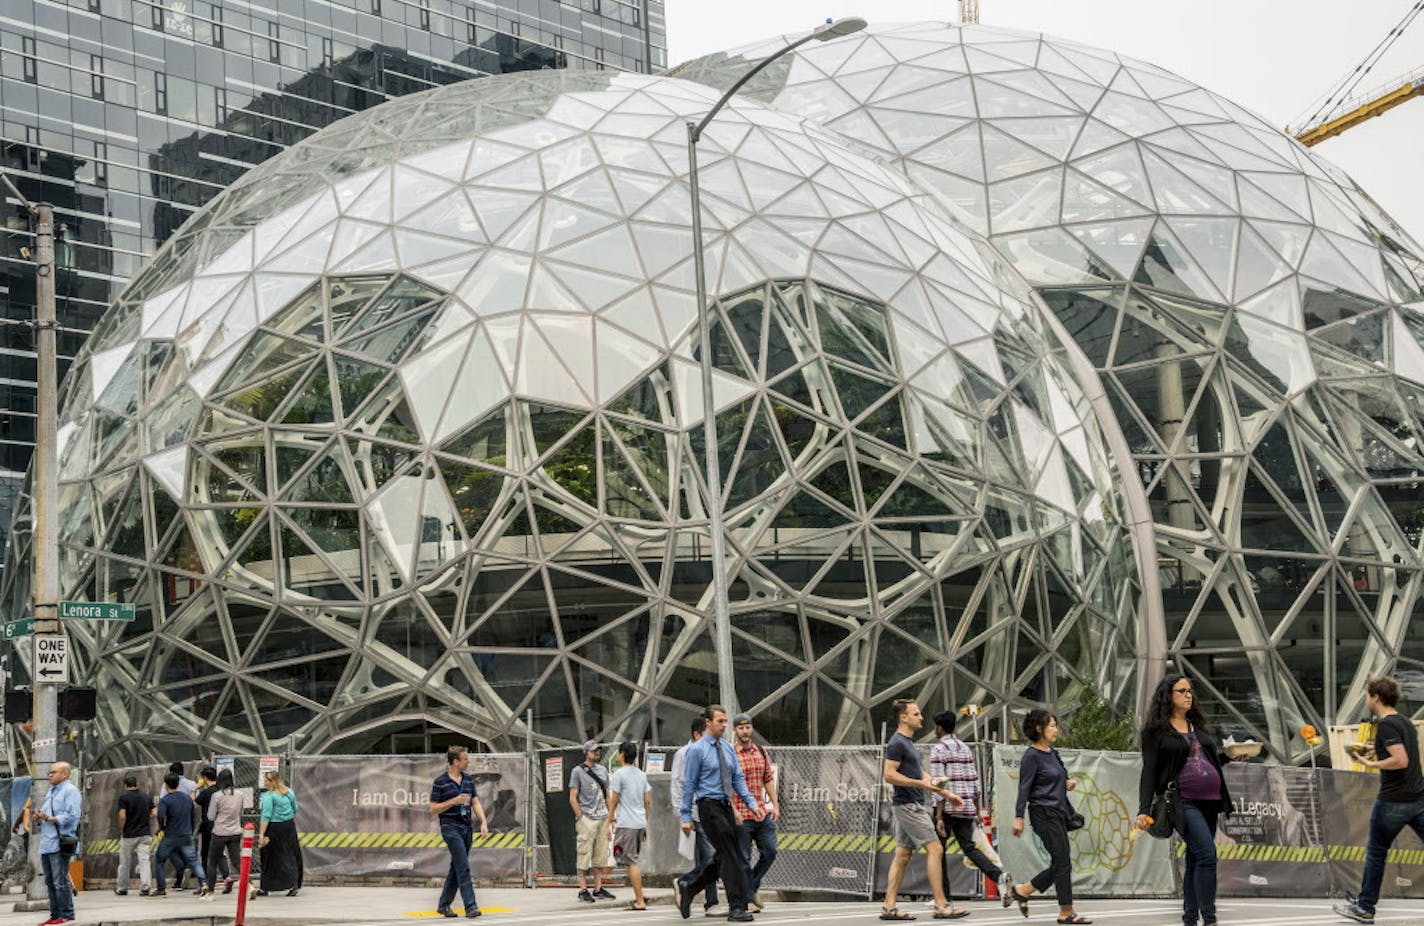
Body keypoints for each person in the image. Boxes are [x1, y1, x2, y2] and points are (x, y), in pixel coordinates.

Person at [1134, 675, 1231, 926]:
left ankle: (1190, 918)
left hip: (1210, 801)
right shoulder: (1155, 732)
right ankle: (1209, 919)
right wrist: (1143, 810)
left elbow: (1207, 761)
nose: (1189, 695)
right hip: (1182, 802)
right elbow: (1149, 771)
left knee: (1196, 859)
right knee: (1208, 856)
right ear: (1168, 696)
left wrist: (1231, 757)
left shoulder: (1196, 727)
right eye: (1182, 691)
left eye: (1190, 691)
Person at [1333, 676, 1424, 924]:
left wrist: (1370, 763)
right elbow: (1401, 751)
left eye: (1366, 695)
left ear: (1375, 697)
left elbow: (1401, 760)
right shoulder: (1405, 722)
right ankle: (1364, 905)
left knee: (1376, 853)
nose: (1366, 700)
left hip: (1394, 801)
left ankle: (1365, 908)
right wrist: (1376, 749)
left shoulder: (1386, 726)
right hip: (1418, 798)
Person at [881, 699, 967, 922]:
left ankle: (889, 906)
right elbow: (889, 775)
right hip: (909, 805)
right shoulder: (897, 743)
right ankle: (941, 904)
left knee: (903, 855)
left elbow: (922, 775)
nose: (921, 717)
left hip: (911, 804)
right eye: (916, 714)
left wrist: (948, 795)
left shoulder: (909, 743)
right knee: (936, 849)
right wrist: (920, 785)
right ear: (904, 717)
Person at [676, 704, 764, 924]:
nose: (725, 726)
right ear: (708, 723)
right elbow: (689, 785)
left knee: (725, 855)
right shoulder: (696, 750)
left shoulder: (727, 748)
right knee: (731, 856)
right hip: (708, 807)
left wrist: (752, 804)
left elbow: (737, 780)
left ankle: (688, 886)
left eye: (726, 721)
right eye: (720, 721)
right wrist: (685, 817)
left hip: (727, 805)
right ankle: (737, 906)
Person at [1005, 710, 1091, 925]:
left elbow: (1056, 777)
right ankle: (1066, 911)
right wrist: (1018, 817)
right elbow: (1024, 788)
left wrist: (1066, 783)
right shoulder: (1031, 756)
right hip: (1043, 813)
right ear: (1038, 729)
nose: (1056, 729)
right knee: (1062, 861)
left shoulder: (1052, 753)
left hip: (1059, 812)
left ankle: (1023, 890)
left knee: (1062, 862)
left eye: (1055, 725)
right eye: (1051, 725)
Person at [929, 710, 1008, 898]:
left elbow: (939, 783)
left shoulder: (939, 750)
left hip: (947, 808)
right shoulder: (965, 748)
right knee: (970, 848)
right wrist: (977, 810)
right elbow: (974, 780)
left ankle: (942, 897)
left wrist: (939, 816)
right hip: (965, 806)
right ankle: (999, 877)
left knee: (938, 851)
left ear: (939, 728)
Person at [429, 745, 489, 919]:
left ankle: (444, 904)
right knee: (463, 866)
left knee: (456, 867)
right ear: (455, 762)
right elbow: (433, 808)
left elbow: (475, 802)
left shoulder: (468, 780)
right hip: (450, 828)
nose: (468, 762)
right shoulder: (440, 782)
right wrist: (453, 801)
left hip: (466, 828)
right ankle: (470, 906)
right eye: (465, 759)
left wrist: (483, 822)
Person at [672, 717, 721, 917]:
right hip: (694, 812)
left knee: (708, 857)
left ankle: (707, 900)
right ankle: (688, 884)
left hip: (710, 812)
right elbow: (677, 785)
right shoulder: (683, 754)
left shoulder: (712, 751)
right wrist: (682, 816)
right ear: (697, 734)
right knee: (711, 857)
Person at [731, 713, 778, 913]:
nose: (745, 731)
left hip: (760, 812)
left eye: (748, 727)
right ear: (735, 730)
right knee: (743, 858)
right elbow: (726, 785)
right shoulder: (731, 753)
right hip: (741, 814)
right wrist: (733, 811)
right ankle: (747, 898)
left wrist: (775, 804)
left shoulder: (760, 750)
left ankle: (751, 887)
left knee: (770, 851)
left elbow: (767, 778)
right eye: (741, 728)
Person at [35, 761, 81, 924]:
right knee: (49, 881)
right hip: (47, 843)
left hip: (60, 843)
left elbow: (72, 816)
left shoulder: (71, 791)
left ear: (65, 775)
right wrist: (40, 818)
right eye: (50, 772)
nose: (50, 775)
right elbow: (47, 815)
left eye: (53, 772)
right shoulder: (51, 792)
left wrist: (51, 818)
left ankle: (67, 914)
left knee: (60, 881)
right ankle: (55, 915)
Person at [609, 741, 652, 912]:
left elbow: (614, 799)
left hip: (626, 822)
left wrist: (609, 820)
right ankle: (640, 893)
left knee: (630, 861)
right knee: (632, 859)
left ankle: (640, 900)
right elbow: (647, 801)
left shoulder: (619, 775)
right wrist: (645, 822)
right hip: (639, 822)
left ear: (621, 754)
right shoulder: (641, 774)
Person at [569, 741, 614, 903]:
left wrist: (610, 819)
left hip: (602, 817)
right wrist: (581, 817)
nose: (597, 753)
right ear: (586, 752)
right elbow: (573, 797)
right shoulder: (577, 772)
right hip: (587, 817)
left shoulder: (603, 770)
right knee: (584, 853)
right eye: (594, 751)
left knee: (600, 855)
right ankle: (582, 889)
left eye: (598, 751)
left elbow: (607, 796)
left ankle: (598, 888)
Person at [153, 772, 207, 898]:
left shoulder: (165, 800)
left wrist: (162, 827)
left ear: (166, 785)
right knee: (193, 861)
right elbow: (193, 816)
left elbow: (161, 816)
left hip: (171, 835)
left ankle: (161, 888)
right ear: (178, 783)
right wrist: (190, 830)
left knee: (160, 859)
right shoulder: (187, 798)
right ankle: (203, 882)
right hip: (186, 834)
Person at [253, 770, 302, 899]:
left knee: (269, 857)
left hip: (274, 828)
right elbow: (295, 808)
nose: (264, 782)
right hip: (289, 826)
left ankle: (266, 886)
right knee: (289, 854)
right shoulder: (289, 792)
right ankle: (293, 883)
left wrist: (262, 834)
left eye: (266, 780)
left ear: (272, 781)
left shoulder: (269, 796)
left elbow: (266, 816)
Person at [203, 769, 249, 900]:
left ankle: (210, 893)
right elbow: (240, 812)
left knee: (212, 861)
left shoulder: (217, 796)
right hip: (235, 831)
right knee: (237, 861)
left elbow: (211, 816)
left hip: (219, 832)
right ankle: (249, 886)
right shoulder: (239, 794)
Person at [115, 774, 155, 896]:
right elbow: (154, 812)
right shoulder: (146, 797)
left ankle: (122, 888)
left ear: (126, 786)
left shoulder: (123, 798)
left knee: (125, 862)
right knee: (144, 861)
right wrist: (145, 819)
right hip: (144, 833)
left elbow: (122, 816)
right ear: (136, 784)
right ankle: (145, 887)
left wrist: (123, 827)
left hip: (129, 834)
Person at [194, 767, 226, 895]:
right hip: (221, 826)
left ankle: (205, 883)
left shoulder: (206, 792)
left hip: (208, 827)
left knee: (205, 855)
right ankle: (226, 877)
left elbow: (194, 803)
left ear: (205, 778)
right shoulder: (221, 791)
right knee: (219, 854)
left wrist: (195, 789)